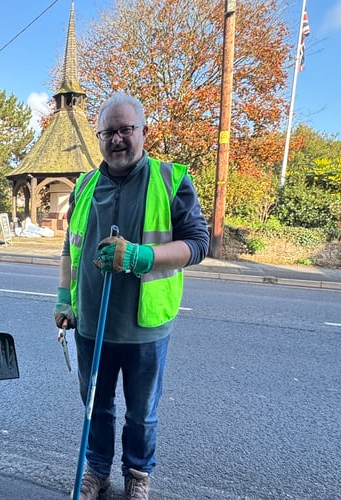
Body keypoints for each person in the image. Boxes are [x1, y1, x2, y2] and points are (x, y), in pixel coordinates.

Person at [53, 91, 209, 500]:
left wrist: (141, 256)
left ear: (144, 131)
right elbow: (70, 249)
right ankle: (98, 470)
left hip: (145, 328)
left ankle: (137, 475)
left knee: (141, 414)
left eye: (126, 130)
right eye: (109, 132)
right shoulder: (84, 185)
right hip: (91, 326)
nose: (117, 139)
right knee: (96, 408)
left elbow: (198, 244)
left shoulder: (170, 179)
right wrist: (62, 300)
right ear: (99, 136)